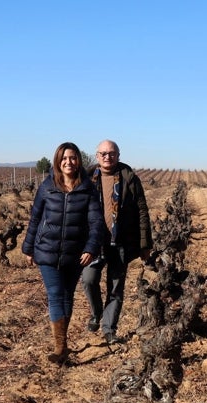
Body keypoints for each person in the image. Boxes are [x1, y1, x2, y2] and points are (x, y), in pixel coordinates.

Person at [22, 142, 104, 363]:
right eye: (64, 158)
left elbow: (96, 223)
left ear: (78, 161)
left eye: (73, 158)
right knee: (56, 294)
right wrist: (28, 248)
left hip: (75, 253)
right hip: (47, 252)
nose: (69, 162)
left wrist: (91, 248)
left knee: (67, 296)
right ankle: (60, 347)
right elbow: (35, 219)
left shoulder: (88, 190)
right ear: (58, 161)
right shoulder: (47, 187)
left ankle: (63, 343)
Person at [81, 139, 153, 344]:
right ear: (97, 156)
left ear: (118, 155)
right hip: (93, 243)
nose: (107, 157)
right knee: (88, 279)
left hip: (120, 241)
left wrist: (144, 244)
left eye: (111, 153)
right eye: (103, 153)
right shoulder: (86, 178)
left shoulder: (129, 178)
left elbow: (142, 210)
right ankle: (96, 313)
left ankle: (109, 329)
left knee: (115, 288)